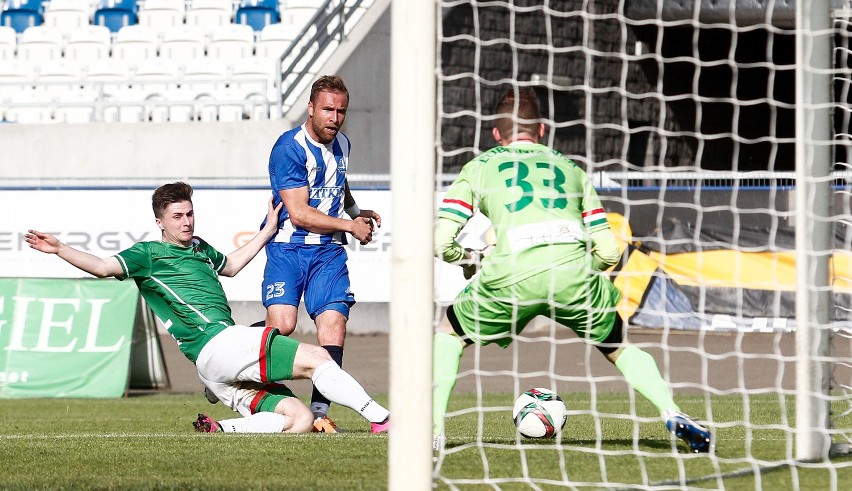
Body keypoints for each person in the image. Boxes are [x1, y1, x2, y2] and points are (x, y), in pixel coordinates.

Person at [432, 87, 712, 453]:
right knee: (618, 347)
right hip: (574, 275)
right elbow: (610, 251)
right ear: (543, 130)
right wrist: (580, 268)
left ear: (496, 134)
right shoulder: (571, 169)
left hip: (511, 274)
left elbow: (441, 243)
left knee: (448, 333)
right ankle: (671, 410)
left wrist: (470, 259)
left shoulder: (479, 167)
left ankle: (434, 430)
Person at [25, 181, 390, 434]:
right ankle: (383, 420)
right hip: (218, 343)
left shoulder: (198, 247)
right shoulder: (148, 255)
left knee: (298, 419)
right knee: (319, 358)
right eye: (177, 217)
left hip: (215, 369)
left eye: (189, 214)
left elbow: (229, 266)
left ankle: (221, 428)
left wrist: (267, 231)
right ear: (160, 221)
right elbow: (103, 267)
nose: (186, 222)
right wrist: (60, 249)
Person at [262, 75, 380, 433]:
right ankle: (228, 356)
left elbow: (337, 184)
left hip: (327, 253)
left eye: (341, 111)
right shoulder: (289, 148)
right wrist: (349, 226)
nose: (335, 117)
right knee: (282, 327)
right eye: (328, 109)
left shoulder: (342, 143)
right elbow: (297, 213)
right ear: (311, 108)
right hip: (288, 247)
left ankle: (318, 412)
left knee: (334, 326)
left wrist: (356, 211)